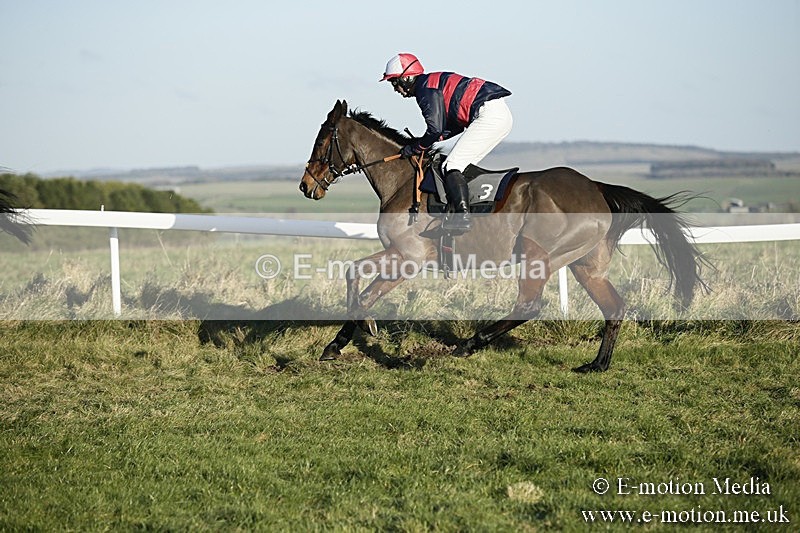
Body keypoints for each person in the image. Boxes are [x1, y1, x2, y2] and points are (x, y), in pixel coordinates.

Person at [380, 53, 512, 231]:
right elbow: (449, 128)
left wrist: (416, 147)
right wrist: (424, 142)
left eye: (394, 82)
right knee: (460, 166)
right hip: (497, 114)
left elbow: (435, 129)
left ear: (407, 78)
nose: (395, 89)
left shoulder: (425, 90)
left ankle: (462, 218)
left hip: (489, 115)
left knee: (451, 165)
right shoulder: (430, 83)